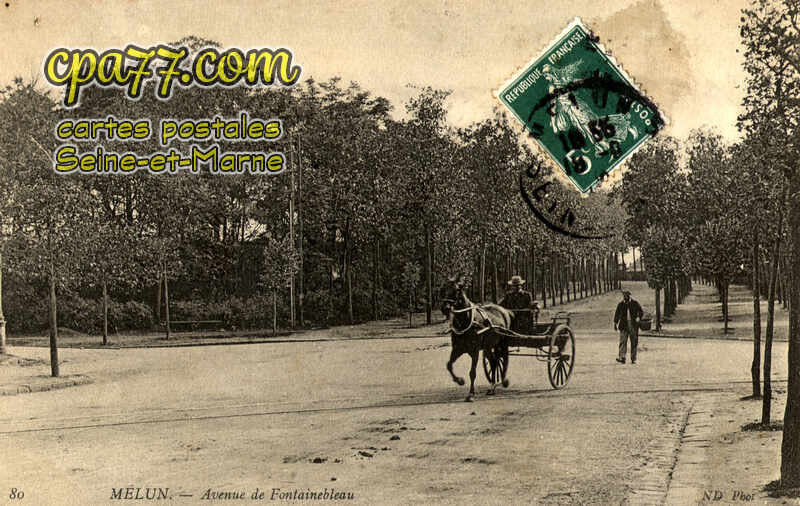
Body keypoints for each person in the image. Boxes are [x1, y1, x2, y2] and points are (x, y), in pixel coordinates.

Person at [614, 290, 643, 364]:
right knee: (623, 341)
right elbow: (617, 314)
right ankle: (622, 357)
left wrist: (638, 317)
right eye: (624, 295)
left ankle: (633, 358)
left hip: (633, 325)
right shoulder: (620, 304)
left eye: (626, 295)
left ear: (629, 295)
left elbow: (641, 311)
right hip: (623, 325)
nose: (625, 296)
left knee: (634, 342)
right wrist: (615, 323)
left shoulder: (635, 303)